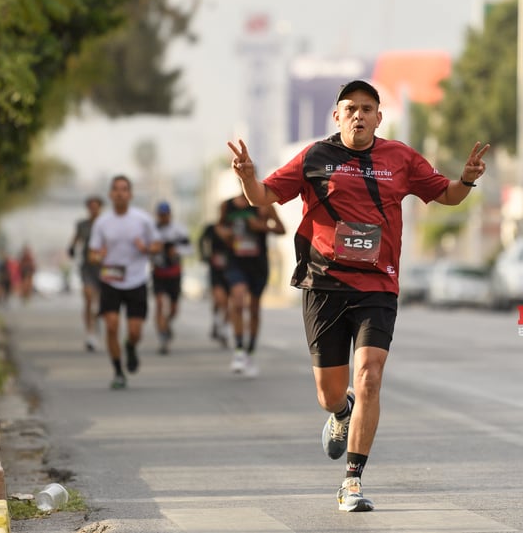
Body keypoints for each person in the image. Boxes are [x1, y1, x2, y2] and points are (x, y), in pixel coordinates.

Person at [227, 79, 488, 512]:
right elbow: (264, 197)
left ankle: (352, 480)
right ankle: (341, 411)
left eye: (368, 108)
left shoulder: (400, 157)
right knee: (330, 394)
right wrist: (248, 179)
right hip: (324, 285)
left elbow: (446, 195)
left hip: (378, 286)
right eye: (351, 108)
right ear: (337, 115)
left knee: (369, 374)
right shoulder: (315, 157)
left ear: (379, 117)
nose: (359, 115)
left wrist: (466, 180)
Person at [88, 175, 162, 390]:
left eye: (124, 189)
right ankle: (118, 371)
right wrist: (99, 256)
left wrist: (146, 249)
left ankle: (130, 347)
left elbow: (157, 245)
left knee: (135, 331)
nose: (120, 193)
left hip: (137, 280)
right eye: (116, 189)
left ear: (130, 195)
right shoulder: (102, 222)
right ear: (111, 194)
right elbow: (92, 254)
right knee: (111, 326)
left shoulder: (142, 219)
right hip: (110, 279)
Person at [216, 191, 285, 377]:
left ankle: (250, 351)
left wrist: (261, 226)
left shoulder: (264, 206)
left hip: (258, 264)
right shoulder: (227, 205)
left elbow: (281, 229)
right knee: (238, 302)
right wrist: (226, 234)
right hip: (236, 262)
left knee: (254, 309)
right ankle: (238, 350)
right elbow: (219, 227)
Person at [151, 201, 192, 355]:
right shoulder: (152, 230)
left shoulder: (178, 230)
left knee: (174, 309)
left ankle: (167, 324)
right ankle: (162, 337)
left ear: (170, 214)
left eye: (165, 214)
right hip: (158, 273)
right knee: (160, 303)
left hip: (174, 273)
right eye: (161, 215)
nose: (163, 217)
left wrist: (176, 250)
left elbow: (190, 249)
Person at [67, 195, 104, 352]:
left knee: (102, 303)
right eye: (91, 207)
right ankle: (90, 333)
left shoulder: (107, 224)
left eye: (96, 206)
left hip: (105, 267)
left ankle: (97, 324)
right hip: (88, 266)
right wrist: (72, 249)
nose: (93, 209)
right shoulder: (82, 225)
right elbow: (75, 241)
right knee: (88, 297)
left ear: (101, 208)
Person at [199, 219, 231, 348]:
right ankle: (217, 322)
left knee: (229, 303)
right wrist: (205, 255)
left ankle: (224, 329)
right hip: (216, 270)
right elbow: (202, 241)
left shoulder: (235, 226)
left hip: (232, 268)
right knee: (219, 299)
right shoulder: (211, 228)